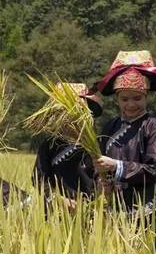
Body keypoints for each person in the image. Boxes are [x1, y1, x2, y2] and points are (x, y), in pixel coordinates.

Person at [93, 50, 156, 254]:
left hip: (148, 207)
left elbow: (153, 169)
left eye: (137, 98)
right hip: (118, 207)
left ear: (147, 96)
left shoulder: (152, 126)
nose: (131, 104)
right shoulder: (109, 126)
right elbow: (99, 161)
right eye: (124, 99)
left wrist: (116, 166)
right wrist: (103, 181)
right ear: (117, 99)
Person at [32, 83, 103, 212]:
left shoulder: (96, 144)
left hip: (92, 211)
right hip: (58, 212)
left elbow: (102, 175)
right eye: (66, 115)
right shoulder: (49, 145)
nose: (72, 121)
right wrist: (59, 200)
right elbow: (39, 179)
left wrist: (101, 191)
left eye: (78, 114)